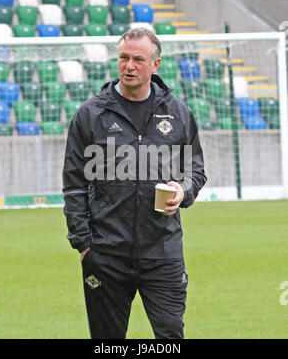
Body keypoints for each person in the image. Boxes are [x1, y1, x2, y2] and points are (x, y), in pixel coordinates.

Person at [62, 28, 207, 339]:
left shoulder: (177, 113)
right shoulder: (91, 115)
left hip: (163, 251)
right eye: (123, 58)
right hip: (106, 253)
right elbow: (74, 184)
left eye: (138, 59)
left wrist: (183, 191)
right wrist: (84, 244)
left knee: (171, 336)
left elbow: (194, 170)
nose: (129, 66)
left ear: (155, 65)